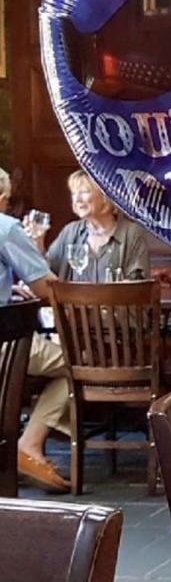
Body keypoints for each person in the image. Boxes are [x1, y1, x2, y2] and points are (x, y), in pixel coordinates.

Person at [17, 170, 151, 486]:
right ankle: (32, 442)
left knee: (72, 364)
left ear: (105, 197)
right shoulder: (71, 233)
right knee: (73, 365)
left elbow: (137, 292)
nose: (77, 199)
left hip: (119, 340)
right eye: (74, 193)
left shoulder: (131, 235)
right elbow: (45, 276)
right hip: (76, 339)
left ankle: (34, 440)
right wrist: (36, 243)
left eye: (84, 192)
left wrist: (93, 305)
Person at [0, 167, 70, 492]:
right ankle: (28, 444)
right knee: (79, 367)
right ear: (3, 198)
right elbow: (47, 288)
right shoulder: (5, 226)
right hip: (4, 347)